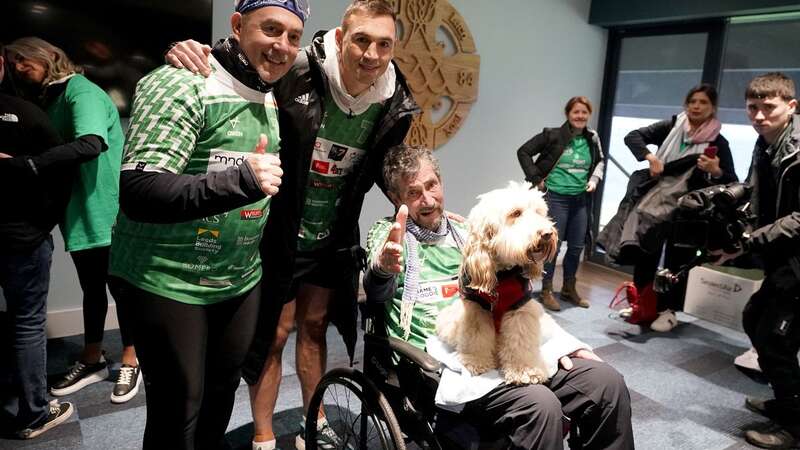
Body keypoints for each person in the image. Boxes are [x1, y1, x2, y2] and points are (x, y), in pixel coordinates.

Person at [165, 2, 418, 449]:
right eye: (361, 40)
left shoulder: (395, 98)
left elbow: (384, 166)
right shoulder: (298, 69)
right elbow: (242, 62)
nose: (372, 55)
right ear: (341, 39)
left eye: (384, 44)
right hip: (279, 232)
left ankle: (313, 418)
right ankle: (263, 433)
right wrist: (189, 49)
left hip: (333, 236)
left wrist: (423, 203)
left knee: (316, 328)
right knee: (273, 336)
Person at [106, 1, 305, 448]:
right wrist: (239, 181)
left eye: (294, 36)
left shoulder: (270, 86)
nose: (283, 46)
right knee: (179, 408)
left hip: (238, 278)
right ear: (237, 25)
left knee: (220, 397)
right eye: (271, 29)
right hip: (166, 280)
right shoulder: (181, 80)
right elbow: (140, 191)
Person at [364, 144, 634, 449]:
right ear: (395, 198)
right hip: (434, 364)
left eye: (432, 185)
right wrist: (385, 268)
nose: (427, 199)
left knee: (605, 383)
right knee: (540, 405)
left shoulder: (469, 230)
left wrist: (566, 346)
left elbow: (518, 301)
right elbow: (375, 290)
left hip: (504, 343)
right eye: (413, 193)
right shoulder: (388, 235)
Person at [5, 37, 139, 402]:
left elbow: (91, 143)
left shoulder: (82, 92)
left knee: (120, 290)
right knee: (92, 288)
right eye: (11, 61)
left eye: (22, 59)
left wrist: (26, 165)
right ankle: (93, 357)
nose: (17, 67)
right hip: (78, 209)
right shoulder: (50, 99)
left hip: (104, 208)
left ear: (49, 55)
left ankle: (132, 358)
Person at [598, 84, 738, 332]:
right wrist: (651, 158)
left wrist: (715, 170)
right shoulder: (673, 125)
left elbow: (731, 181)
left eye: (703, 102)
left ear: (713, 108)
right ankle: (643, 304)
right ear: (686, 104)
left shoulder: (718, 141)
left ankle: (668, 310)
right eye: (692, 101)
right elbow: (633, 136)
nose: (696, 106)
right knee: (645, 252)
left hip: (688, 211)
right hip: (656, 202)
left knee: (677, 260)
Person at [713, 72, 800, 449]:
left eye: (769, 107)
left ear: (791, 106)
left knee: (776, 340)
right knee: (754, 319)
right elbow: (758, 193)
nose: (760, 115)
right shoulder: (765, 144)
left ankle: (794, 429)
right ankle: (785, 403)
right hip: (782, 256)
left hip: (798, 261)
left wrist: (753, 240)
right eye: (753, 107)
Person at [0, 42, 75, 440]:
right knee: (27, 323)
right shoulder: (26, 113)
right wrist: (44, 223)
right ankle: (33, 413)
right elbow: (62, 166)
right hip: (22, 238)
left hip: (22, 236)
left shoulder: (56, 101)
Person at [517, 96, 605, 311]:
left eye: (584, 112)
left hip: (580, 200)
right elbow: (524, 152)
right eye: (576, 112)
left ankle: (568, 288)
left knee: (576, 247)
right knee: (552, 248)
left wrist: (594, 180)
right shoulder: (553, 135)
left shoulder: (592, 138)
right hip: (555, 198)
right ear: (568, 114)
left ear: (589, 115)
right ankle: (546, 290)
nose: (580, 116)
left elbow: (600, 161)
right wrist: (536, 179)